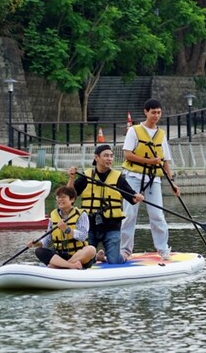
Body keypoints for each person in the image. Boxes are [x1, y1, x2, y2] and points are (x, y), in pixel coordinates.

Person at [120, 98, 179, 260]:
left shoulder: (161, 134)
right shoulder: (134, 131)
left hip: (154, 180)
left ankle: (163, 249)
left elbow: (165, 160)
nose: (156, 116)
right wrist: (149, 161)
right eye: (153, 112)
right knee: (129, 214)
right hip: (133, 178)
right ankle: (125, 250)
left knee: (157, 215)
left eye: (159, 113)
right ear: (146, 112)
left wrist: (172, 183)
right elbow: (128, 154)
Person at [68, 144, 143, 264]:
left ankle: (123, 256)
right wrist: (71, 178)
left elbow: (132, 197)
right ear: (96, 158)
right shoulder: (87, 176)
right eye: (106, 156)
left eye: (111, 156)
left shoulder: (118, 178)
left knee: (114, 261)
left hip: (111, 225)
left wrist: (137, 196)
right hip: (89, 225)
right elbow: (69, 196)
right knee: (87, 261)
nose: (109, 159)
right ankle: (98, 257)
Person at [29, 186, 96, 269]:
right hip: (60, 256)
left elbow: (83, 236)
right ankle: (70, 266)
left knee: (91, 250)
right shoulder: (53, 216)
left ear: (72, 199)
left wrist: (67, 230)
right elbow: (48, 239)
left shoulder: (81, 215)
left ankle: (62, 266)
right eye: (58, 197)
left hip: (78, 256)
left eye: (63, 197)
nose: (60, 199)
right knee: (39, 251)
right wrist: (38, 243)